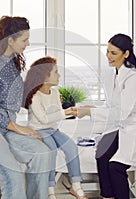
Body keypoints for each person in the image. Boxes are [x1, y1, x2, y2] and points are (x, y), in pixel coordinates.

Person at [0, 16, 51, 199]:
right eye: (24, 40)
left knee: (43, 154)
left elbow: (12, 101)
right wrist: (19, 128)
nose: (27, 44)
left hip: (7, 127)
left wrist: (42, 89)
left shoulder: (11, 64)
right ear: (10, 40)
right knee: (12, 175)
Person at [76, 33, 136, 199]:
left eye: (113, 53)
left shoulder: (133, 77)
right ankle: (107, 197)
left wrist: (89, 112)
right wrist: (88, 108)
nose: (108, 56)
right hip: (123, 127)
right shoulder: (113, 74)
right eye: (107, 51)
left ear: (126, 53)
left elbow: (122, 113)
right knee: (102, 155)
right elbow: (111, 107)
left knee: (115, 167)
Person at [22, 56, 88, 199]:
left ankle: (76, 186)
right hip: (38, 130)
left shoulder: (56, 92)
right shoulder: (35, 96)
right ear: (44, 76)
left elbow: (57, 116)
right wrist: (65, 112)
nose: (59, 75)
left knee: (71, 146)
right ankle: (50, 188)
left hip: (53, 130)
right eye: (56, 72)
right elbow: (44, 119)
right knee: (51, 149)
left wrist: (67, 112)